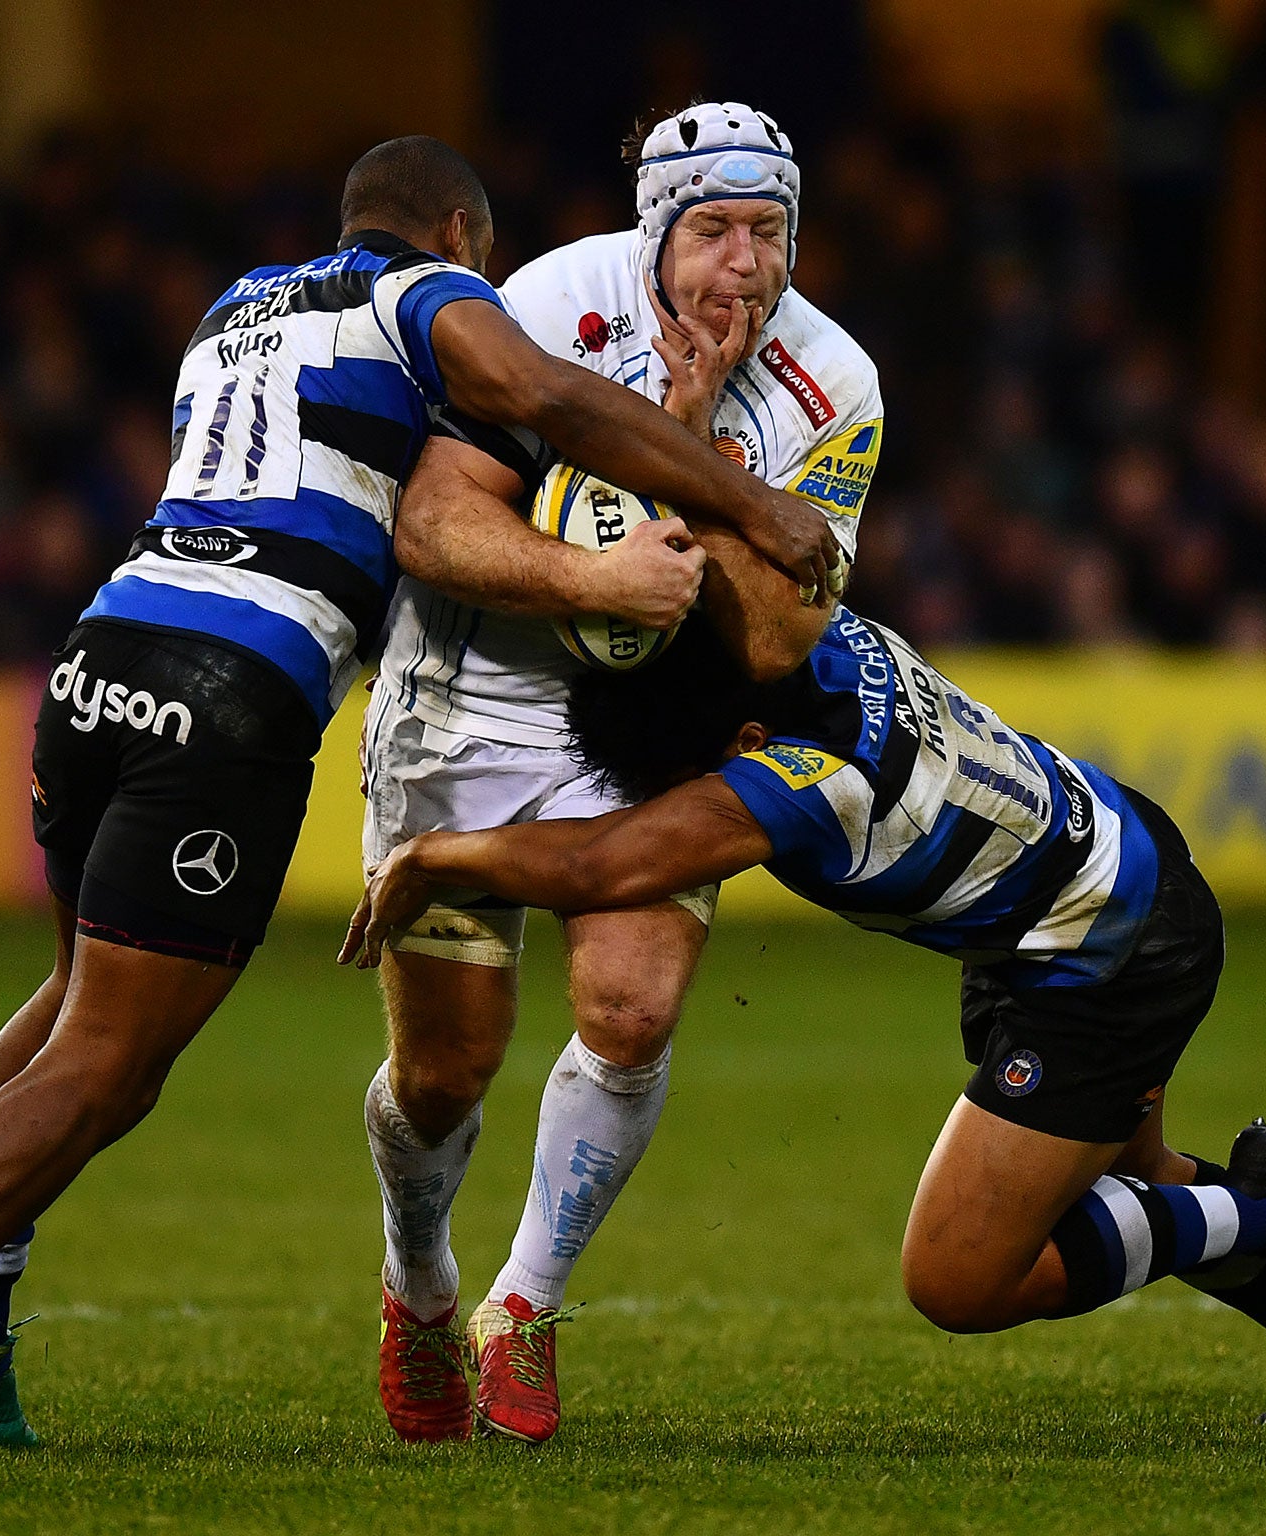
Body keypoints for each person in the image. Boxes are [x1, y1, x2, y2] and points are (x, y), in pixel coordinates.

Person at [0, 134, 835, 1470]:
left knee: (66, 1004)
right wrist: (745, 498)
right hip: (235, 686)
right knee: (111, 1063)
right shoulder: (421, 294)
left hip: (102, 652)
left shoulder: (238, 306)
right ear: (455, 232)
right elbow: (546, 396)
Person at [344, 613, 1266, 1427]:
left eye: (682, 786)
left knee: (957, 1275)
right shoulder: (791, 627)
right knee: (1128, 1177)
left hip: (1104, 949)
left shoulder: (810, 780)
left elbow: (598, 862)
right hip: (1066, 886)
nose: (679, 811)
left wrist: (434, 854)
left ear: (749, 737)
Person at [358, 100, 886, 1443]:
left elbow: (775, 635)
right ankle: (418, 1285)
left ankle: (522, 1308)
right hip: (470, 699)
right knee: (444, 1075)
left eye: (770, 232)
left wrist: (694, 455)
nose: (745, 265)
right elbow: (432, 523)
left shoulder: (838, 385)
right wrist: (601, 575)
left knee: (634, 1009)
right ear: (655, 228)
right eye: (712, 229)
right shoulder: (541, 304)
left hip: (653, 730)